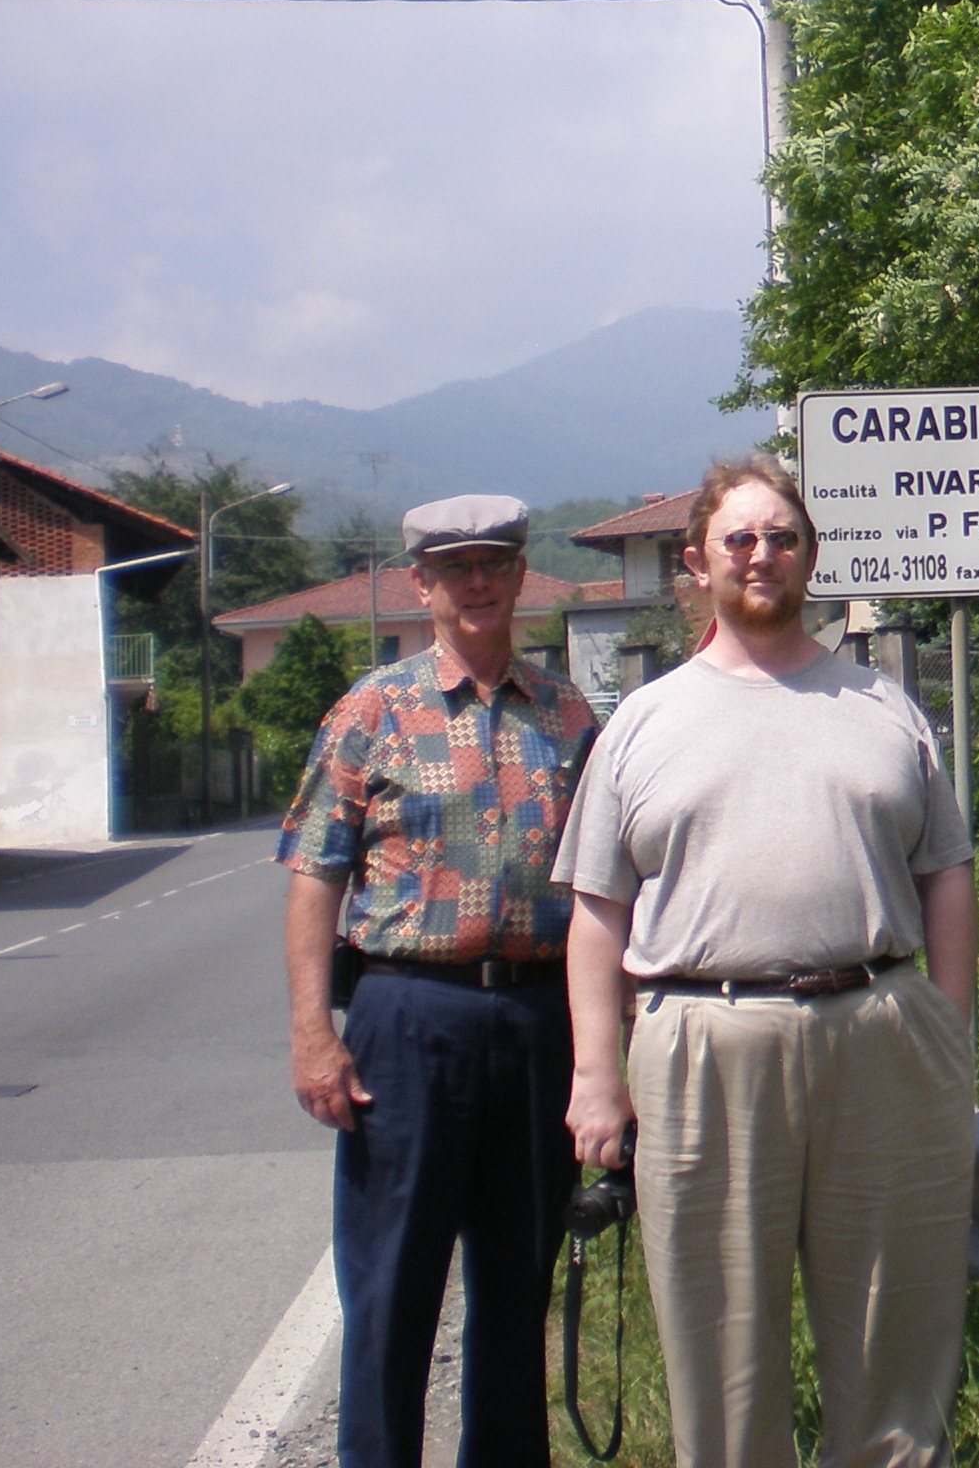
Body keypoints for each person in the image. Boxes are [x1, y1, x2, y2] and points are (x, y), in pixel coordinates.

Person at [558, 454, 978, 1468]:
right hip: (703, 1043)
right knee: (723, 1360)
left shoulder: (882, 707)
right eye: (738, 539)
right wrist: (595, 1075)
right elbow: (597, 913)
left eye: (781, 537)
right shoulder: (644, 722)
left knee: (893, 1349)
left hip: (879, 1036)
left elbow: (947, 874)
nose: (760, 554)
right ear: (697, 564)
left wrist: (948, 1029)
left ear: (810, 557)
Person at [279, 494, 598, 1468]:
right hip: (408, 1017)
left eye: (494, 563)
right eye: (456, 567)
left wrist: (607, 1053)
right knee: (392, 1287)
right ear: (421, 584)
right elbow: (314, 876)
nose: (477, 582)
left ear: (520, 576)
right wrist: (313, 1034)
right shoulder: (372, 712)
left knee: (516, 1288)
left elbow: (606, 891)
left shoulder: (570, 717)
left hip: (539, 1019)